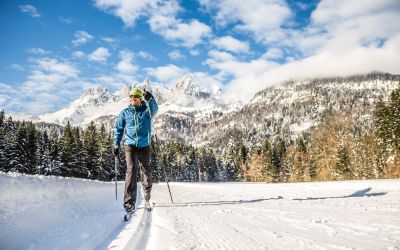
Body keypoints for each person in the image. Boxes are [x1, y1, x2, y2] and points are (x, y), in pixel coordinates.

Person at [113, 88, 158, 212]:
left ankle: (147, 198)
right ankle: (129, 203)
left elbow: (155, 109)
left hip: (145, 145)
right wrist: (116, 144)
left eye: (136, 96)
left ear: (140, 98)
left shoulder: (146, 111)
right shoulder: (125, 112)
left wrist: (149, 97)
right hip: (130, 145)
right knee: (131, 171)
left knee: (146, 171)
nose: (133, 98)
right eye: (131, 96)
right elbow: (118, 129)